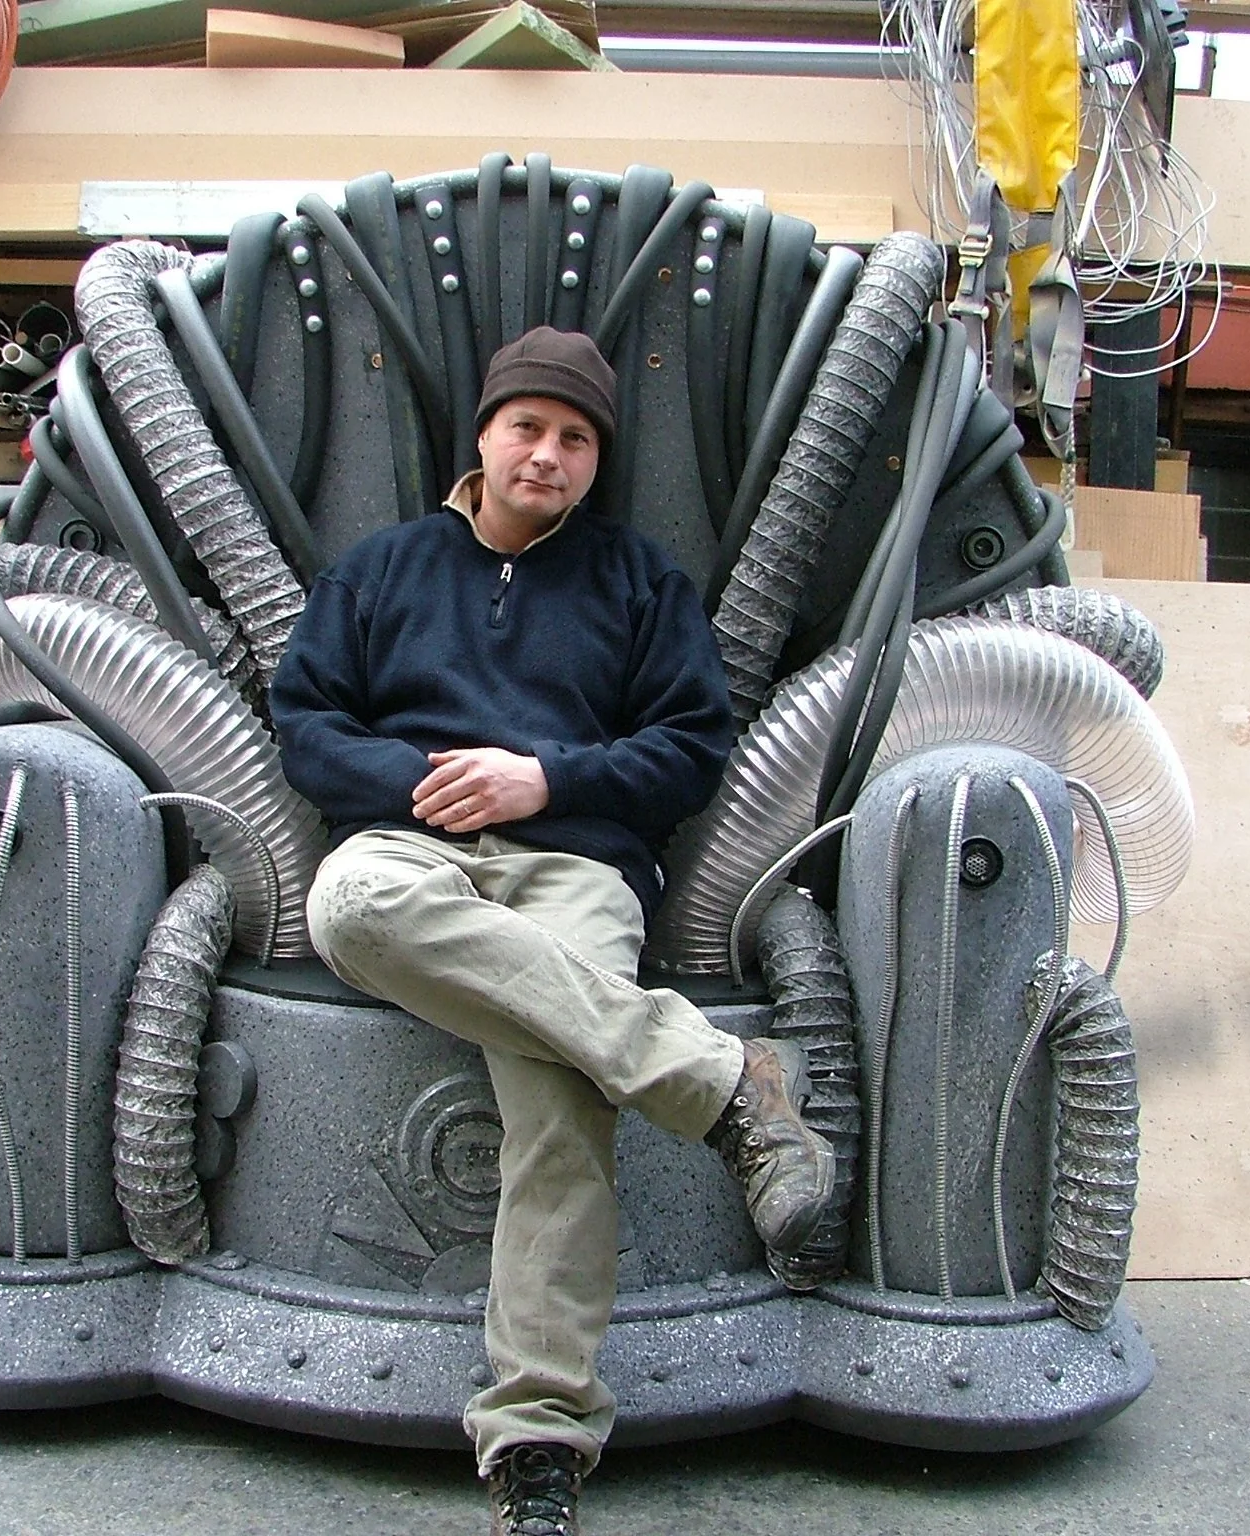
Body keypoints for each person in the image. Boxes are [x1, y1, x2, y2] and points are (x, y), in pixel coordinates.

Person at [271, 327, 834, 1536]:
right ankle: (720, 1083)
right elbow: (304, 723)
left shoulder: (640, 584)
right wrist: (427, 779)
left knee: (560, 1106)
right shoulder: (379, 572)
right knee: (348, 903)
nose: (549, 454)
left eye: (575, 438)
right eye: (527, 427)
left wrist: (544, 779)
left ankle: (537, 1434)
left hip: (576, 860)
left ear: (595, 461)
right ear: (481, 436)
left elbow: (690, 751)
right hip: (413, 847)